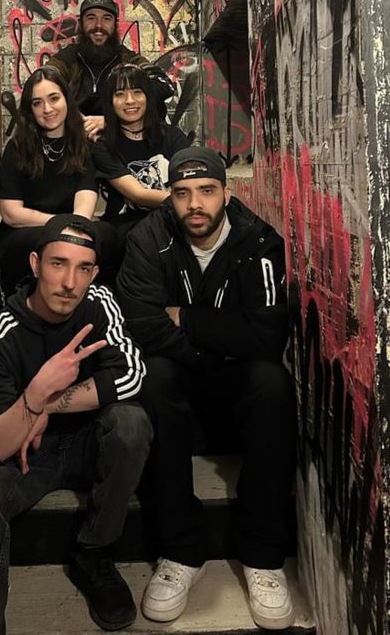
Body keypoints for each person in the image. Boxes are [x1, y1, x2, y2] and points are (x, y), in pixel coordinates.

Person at [115, 148, 296, 631]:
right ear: (170, 198)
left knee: (272, 383)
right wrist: (217, 340)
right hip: (179, 373)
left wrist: (190, 318)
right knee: (152, 379)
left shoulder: (258, 241)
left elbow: (267, 335)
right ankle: (181, 551)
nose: (195, 203)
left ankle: (263, 556)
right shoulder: (147, 238)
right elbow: (142, 325)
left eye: (207, 191)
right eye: (182, 193)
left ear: (225, 192)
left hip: (237, 381)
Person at [0, 215, 152, 635]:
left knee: (131, 422)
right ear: (34, 264)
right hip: (31, 459)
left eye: (83, 268)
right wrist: (33, 396)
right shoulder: (3, 332)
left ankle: (94, 555)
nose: (70, 281)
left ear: (95, 273)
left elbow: (133, 375)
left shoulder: (99, 301)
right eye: (57, 264)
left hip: (87, 444)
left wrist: (46, 403)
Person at [0, 66, 117, 293]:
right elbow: (12, 214)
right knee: (36, 241)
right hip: (28, 231)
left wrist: (75, 224)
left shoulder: (82, 144)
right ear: (30, 109)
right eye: (37, 103)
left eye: (54, 98)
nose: (47, 109)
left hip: (71, 226)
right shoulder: (17, 146)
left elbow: (84, 204)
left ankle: (93, 300)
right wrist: (61, 224)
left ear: (66, 100)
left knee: (108, 234)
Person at [45, 0, 175, 139]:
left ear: (115, 25)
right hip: (74, 140)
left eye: (106, 18)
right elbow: (41, 82)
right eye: (91, 18)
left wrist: (111, 120)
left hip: (121, 141)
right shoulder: (67, 58)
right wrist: (73, 117)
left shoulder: (127, 59)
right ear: (81, 24)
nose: (98, 25)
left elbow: (164, 85)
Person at [91, 64, 192, 236]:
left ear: (148, 97)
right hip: (129, 227)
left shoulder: (170, 135)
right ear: (111, 102)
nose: (130, 100)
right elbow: (138, 195)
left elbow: (189, 178)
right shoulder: (103, 146)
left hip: (175, 218)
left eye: (137, 92)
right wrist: (189, 202)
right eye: (120, 94)